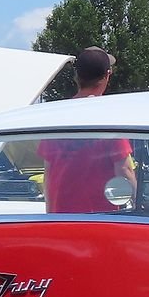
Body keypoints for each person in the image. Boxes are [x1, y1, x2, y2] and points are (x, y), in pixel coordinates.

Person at [39, 46, 137, 213]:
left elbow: (48, 172)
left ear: (77, 77)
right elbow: (124, 171)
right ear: (107, 75)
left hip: (60, 218)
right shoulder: (107, 118)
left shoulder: (55, 117)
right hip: (97, 219)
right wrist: (139, 204)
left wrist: (50, 213)